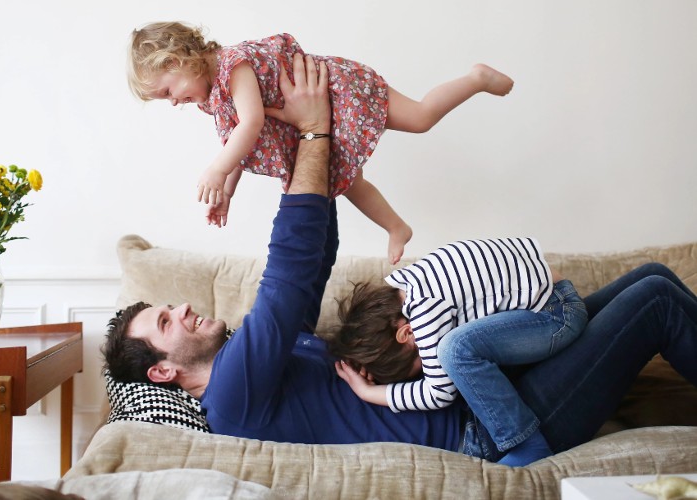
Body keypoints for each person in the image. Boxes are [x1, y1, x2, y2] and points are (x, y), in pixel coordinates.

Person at [105, 53, 697, 464]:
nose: (181, 308)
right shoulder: (232, 393)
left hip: (493, 383)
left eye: (168, 307)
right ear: (163, 373)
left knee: (648, 277)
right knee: (655, 300)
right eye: (165, 322)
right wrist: (313, 134)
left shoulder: (256, 363)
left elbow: (308, 268)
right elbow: (284, 285)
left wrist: (314, 155)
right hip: (490, 428)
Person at [126, 22, 514, 263]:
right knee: (345, 183)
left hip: (337, 91)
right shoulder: (212, 98)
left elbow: (253, 122)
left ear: (180, 59)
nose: (173, 102)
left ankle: (477, 78)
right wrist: (227, 192)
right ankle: (397, 226)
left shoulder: (233, 64)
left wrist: (216, 168)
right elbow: (237, 141)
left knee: (420, 118)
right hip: (310, 121)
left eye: (167, 91)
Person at [328, 238, 588, 465]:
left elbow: (439, 393)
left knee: (452, 351)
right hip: (554, 298)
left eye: (417, 363)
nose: (426, 367)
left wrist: (369, 392)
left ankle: (525, 445)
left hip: (555, 315)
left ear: (406, 334)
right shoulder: (410, 280)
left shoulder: (424, 312)